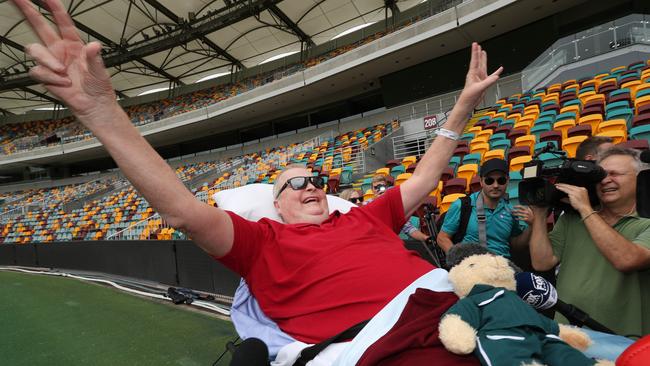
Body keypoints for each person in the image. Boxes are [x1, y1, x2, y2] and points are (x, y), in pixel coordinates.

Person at [11, 0, 501, 353]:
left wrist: (460, 109)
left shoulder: (364, 219)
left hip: (460, 306)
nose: (310, 186)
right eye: (294, 184)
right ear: (276, 206)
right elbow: (181, 211)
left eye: (314, 180)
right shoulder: (261, 242)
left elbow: (422, 180)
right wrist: (102, 112)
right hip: (387, 346)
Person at [528, 147, 650, 337]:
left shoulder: (646, 224)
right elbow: (542, 262)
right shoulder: (571, 218)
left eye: (615, 174)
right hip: (568, 332)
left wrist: (586, 209)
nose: (606, 180)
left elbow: (627, 260)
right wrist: (540, 215)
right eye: (600, 175)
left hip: (622, 338)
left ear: (639, 179)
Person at [437, 158, 532, 258]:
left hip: (503, 267)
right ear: (481, 182)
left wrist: (531, 226)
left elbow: (516, 246)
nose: (495, 185)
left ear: (507, 181)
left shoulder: (511, 210)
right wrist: (460, 261)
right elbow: (442, 238)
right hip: (471, 266)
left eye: (501, 180)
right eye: (489, 180)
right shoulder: (462, 205)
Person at [369, 174, 430, 242]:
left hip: (389, 242)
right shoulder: (366, 205)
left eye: (381, 186)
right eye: (376, 187)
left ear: (386, 187)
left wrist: (426, 238)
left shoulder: (393, 206)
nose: (378, 189)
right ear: (372, 190)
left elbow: (408, 228)